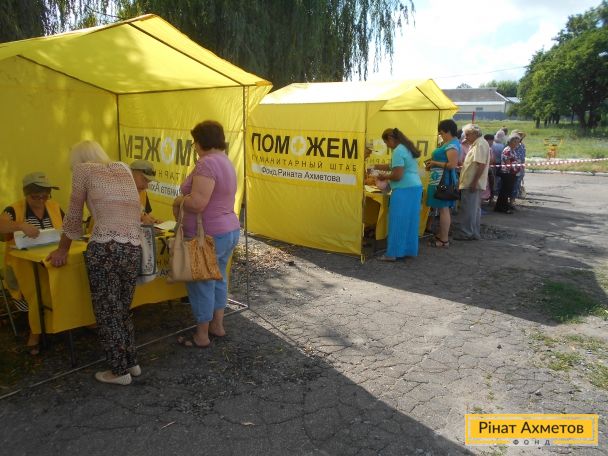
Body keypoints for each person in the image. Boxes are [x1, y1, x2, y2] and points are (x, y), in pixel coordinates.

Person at [47, 140, 142, 385]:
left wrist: (62, 249)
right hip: (133, 246)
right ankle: (131, 362)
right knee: (122, 309)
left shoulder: (83, 170)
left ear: (77, 159)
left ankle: (118, 371)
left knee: (107, 312)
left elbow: (73, 215)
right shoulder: (123, 168)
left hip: (105, 248)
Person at [173, 120, 240, 348]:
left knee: (202, 283)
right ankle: (217, 326)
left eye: (194, 142)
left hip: (207, 234)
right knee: (218, 278)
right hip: (227, 230)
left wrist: (179, 201)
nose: (194, 146)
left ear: (201, 141)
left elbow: (198, 203)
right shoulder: (225, 161)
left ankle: (201, 336)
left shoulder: (206, 164)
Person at [1, 172, 64, 354]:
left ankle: (75, 320)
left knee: (73, 277)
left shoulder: (54, 206)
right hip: (22, 262)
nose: (42, 200)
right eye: (36, 196)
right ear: (27, 194)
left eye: (45, 196)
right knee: (40, 288)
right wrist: (20, 226)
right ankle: (35, 332)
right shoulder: (14, 210)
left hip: (49, 258)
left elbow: (68, 225)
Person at [373, 128, 423, 261]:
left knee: (397, 221)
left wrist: (384, 177)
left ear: (390, 139)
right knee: (411, 222)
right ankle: (408, 250)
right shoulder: (406, 148)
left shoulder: (398, 151)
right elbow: (393, 166)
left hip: (404, 189)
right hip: (415, 188)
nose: (387, 146)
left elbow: (397, 175)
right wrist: (375, 166)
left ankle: (392, 253)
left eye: (386, 143)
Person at [425, 119, 460, 248]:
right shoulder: (450, 143)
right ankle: (441, 235)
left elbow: (452, 165)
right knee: (442, 209)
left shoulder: (452, 145)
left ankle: (444, 240)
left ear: (448, 131)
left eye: (441, 133)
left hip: (443, 181)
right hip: (440, 179)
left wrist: (434, 163)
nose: (441, 135)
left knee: (444, 209)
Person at [453, 124, 490, 241]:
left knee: (468, 209)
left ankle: (466, 233)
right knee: (474, 209)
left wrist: (474, 182)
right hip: (471, 182)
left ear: (475, 134)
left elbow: (481, 165)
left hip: (471, 183)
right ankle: (473, 232)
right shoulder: (478, 143)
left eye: (468, 135)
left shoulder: (480, 144)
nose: (466, 137)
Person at [495, 134, 521, 214]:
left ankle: (502, 206)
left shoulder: (513, 150)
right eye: (515, 142)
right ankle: (502, 207)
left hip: (512, 173)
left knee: (507, 190)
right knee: (505, 191)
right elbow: (508, 163)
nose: (517, 144)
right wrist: (515, 167)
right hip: (507, 173)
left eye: (518, 142)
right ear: (510, 142)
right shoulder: (508, 150)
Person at [130, 159, 160, 225]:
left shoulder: (143, 192)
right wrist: (141, 218)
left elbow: (146, 213)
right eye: (144, 179)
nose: (146, 186)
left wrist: (153, 220)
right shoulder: (118, 193)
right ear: (132, 173)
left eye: (148, 182)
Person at [510, 130, 527, 204]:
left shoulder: (522, 145)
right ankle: (511, 200)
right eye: (519, 135)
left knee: (517, 183)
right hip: (514, 168)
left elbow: (523, 157)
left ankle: (513, 199)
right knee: (513, 184)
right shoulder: (512, 146)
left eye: (521, 136)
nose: (520, 137)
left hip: (520, 167)